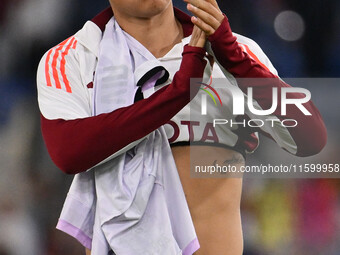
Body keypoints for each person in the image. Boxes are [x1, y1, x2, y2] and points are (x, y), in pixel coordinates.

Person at [37, 0, 327, 254]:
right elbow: (69, 151)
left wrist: (233, 57)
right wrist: (178, 92)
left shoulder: (234, 50)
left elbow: (310, 137)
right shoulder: (73, 58)